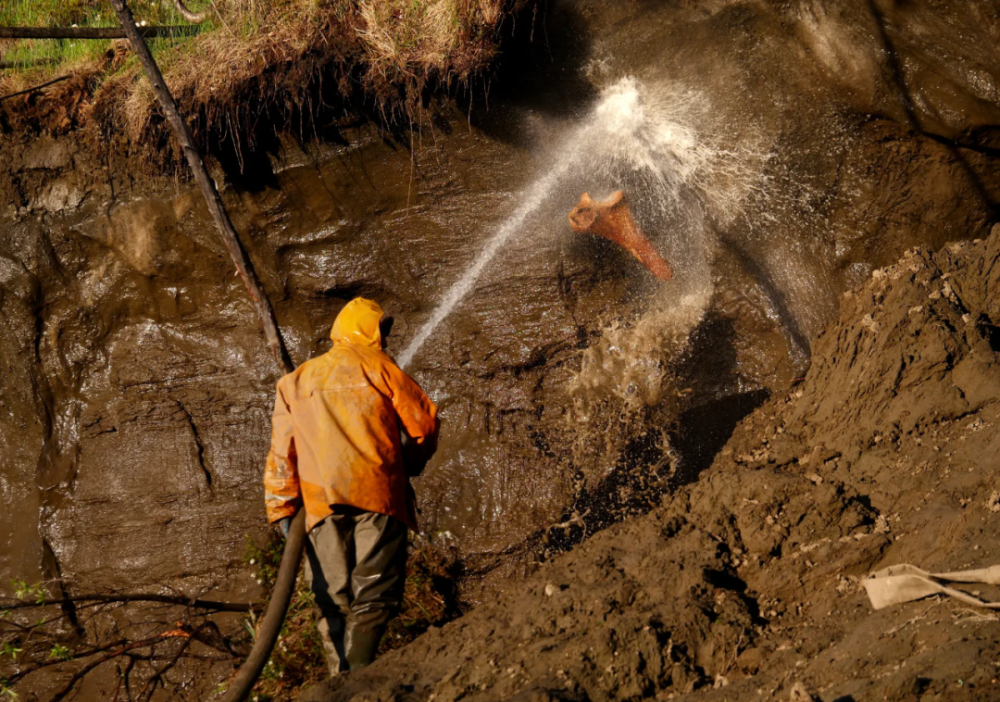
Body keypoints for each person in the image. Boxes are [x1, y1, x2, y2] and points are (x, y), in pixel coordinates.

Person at [263, 297, 439, 674]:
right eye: (382, 331)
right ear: (369, 330)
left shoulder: (295, 381)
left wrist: (281, 510)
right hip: (377, 493)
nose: (386, 340)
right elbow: (424, 426)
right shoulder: (380, 366)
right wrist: (409, 465)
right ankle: (358, 673)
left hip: (319, 502)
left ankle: (339, 681)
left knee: (331, 595)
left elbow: (282, 454)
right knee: (374, 590)